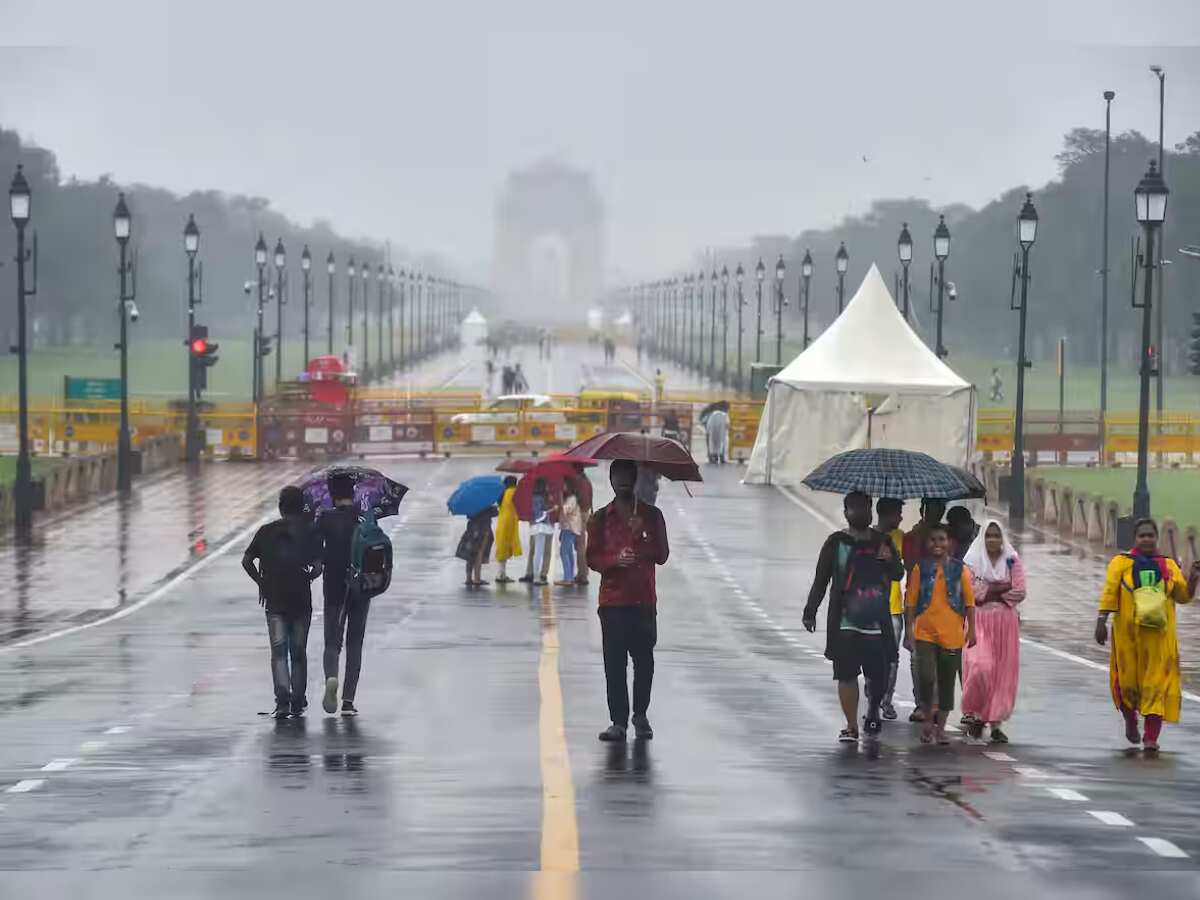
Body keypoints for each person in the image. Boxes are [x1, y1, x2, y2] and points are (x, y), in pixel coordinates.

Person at [803, 492, 903, 743]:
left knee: (878, 674)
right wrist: (810, 610)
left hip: (877, 621)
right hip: (844, 621)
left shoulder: (883, 542)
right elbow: (822, 578)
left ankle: (872, 710)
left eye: (865, 506)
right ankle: (851, 725)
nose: (860, 511)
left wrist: (890, 560)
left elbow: (898, 574)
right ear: (846, 512)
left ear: (871, 511)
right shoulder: (835, 543)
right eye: (855, 507)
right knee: (846, 674)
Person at [1095, 518, 1196, 753]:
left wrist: (1193, 578)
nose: (1147, 539)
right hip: (1127, 637)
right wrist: (1101, 620)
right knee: (1127, 682)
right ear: (1135, 538)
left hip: (1159, 639)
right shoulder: (1121, 563)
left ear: (1156, 538)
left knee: (1156, 685)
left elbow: (1183, 596)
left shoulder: (1168, 566)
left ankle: (1151, 737)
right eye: (1142, 535)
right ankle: (1130, 719)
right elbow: (1110, 592)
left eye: (1151, 535)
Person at [587, 459, 670, 742]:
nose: (622, 480)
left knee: (644, 661)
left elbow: (662, 555)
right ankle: (618, 722)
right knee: (615, 664)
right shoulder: (599, 518)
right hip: (612, 603)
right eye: (617, 475)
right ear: (610, 480)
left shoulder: (652, 516)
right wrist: (614, 560)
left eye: (627, 475)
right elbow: (592, 558)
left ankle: (640, 714)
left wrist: (642, 535)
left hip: (643, 600)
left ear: (635, 479)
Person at [242, 486, 323, 719]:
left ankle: (283, 701)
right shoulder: (309, 532)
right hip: (300, 599)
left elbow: (247, 561)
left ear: (280, 507)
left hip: (274, 599)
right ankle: (298, 700)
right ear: (301, 507)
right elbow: (317, 567)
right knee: (298, 651)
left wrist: (261, 583)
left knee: (279, 652)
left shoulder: (266, 531)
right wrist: (306, 576)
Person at [904, 523, 977, 744]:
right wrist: (909, 630)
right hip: (925, 632)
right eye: (933, 540)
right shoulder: (920, 569)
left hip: (952, 634)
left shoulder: (960, 570)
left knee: (946, 682)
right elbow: (911, 601)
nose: (938, 544)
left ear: (950, 544)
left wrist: (971, 629)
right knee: (926, 677)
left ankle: (941, 728)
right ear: (927, 544)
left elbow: (970, 602)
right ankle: (927, 719)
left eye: (942, 540)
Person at [961, 519, 1025, 743]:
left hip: (1005, 624)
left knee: (1002, 674)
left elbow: (1019, 590)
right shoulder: (972, 561)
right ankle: (976, 713)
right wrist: (998, 589)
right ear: (982, 538)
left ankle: (996, 723)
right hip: (979, 621)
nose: (993, 540)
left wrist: (990, 591)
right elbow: (972, 593)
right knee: (980, 667)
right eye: (988, 536)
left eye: (997, 535)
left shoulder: (1011, 560)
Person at [316, 474, 370, 717]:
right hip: (362, 587)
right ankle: (348, 701)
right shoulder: (365, 518)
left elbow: (314, 551)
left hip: (334, 586)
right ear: (353, 491)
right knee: (355, 643)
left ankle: (331, 679)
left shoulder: (325, 519)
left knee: (332, 642)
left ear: (331, 494)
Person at [873, 497, 906, 721]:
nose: (901, 518)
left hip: (895, 606)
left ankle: (886, 699)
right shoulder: (867, 537)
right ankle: (873, 689)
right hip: (871, 606)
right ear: (884, 514)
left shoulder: (902, 538)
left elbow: (901, 570)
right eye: (897, 513)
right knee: (873, 655)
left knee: (892, 657)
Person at [525, 477, 555, 586]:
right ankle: (537, 576)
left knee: (536, 551)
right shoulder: (540, 498)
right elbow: (540, 515)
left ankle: (535, 574)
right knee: (539, 552)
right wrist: (551, 509)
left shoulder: (533, 497)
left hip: (535, 527)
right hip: (541, 528)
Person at [457, 504, 497, 587]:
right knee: (480, 552)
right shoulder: (486, 502)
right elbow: (496, 513)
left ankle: (468, 578)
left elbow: (469, 515)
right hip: (483, 529)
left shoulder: (472, 503)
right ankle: (477, 579)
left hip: (472, 529)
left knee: (470, 554)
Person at [902, 498, 947, 570]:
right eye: (934, 507)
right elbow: (910, 567)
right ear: (922, 511)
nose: (939, 512)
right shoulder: (910, 537)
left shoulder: (947, 535)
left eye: (941, 507)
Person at [494, 475, 522, 584]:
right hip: (509, 523)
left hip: (502, 522)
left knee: (502, 548)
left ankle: (501, 574)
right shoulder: (513, 492)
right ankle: (501, 575)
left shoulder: (503, 493)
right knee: (504, 549)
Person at [556, 478, 583, 586]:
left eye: (564, 485)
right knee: (569, 552)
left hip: (569, 527)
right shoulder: (572, 498)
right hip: (569, 527)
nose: (563, 487)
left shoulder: (571, 499)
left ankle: (567, 578)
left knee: (564, 552)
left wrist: (560, 498)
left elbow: (565, 510)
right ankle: (570, 576)